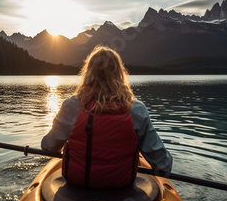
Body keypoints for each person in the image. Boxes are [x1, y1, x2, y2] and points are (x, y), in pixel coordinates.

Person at [41, 45, 173, 189]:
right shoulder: (136, 109)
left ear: (88, 73)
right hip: (122, 186)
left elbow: (49, 147)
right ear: (119, 74)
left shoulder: (72, 106)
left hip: (77, 184)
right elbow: (162, 164)